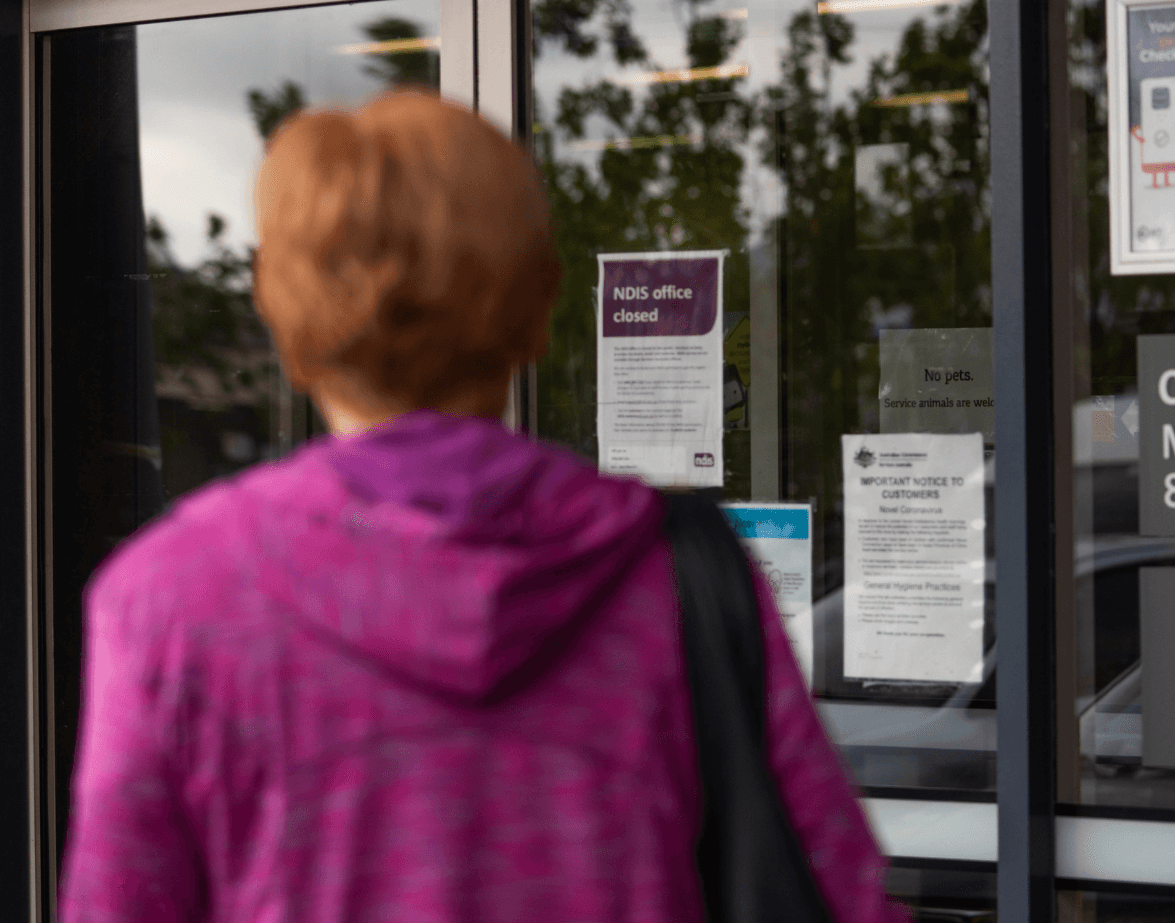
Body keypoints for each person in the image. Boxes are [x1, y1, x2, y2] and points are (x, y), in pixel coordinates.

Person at [60, 89, 903, 922]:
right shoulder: (674, 575)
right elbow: (838, 894)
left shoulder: (168, 598)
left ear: (285, 310)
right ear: (538, 303)